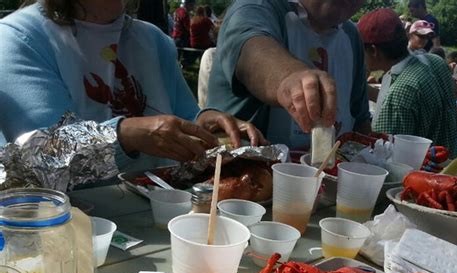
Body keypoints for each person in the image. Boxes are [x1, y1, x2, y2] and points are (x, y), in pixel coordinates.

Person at [0, 0, 265, 174]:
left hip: (162, 220)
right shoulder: (17, 38)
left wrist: (208, 125)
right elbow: (42, 158)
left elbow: (186, 116)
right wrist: (125, 135)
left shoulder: (154, 40)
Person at [206, 0, 371, 149]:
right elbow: (252, 48)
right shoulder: (254, 8)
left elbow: (360, 121)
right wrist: (289, 77)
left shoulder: (351, 36)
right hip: (247, 174)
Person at [358, 8, 457, 158]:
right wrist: (361, 89)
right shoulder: (436, 62)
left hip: (424, 176)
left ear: (374, 51)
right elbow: (415, 103)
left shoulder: (399, 93)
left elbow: (385, 159)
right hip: (452, 164)